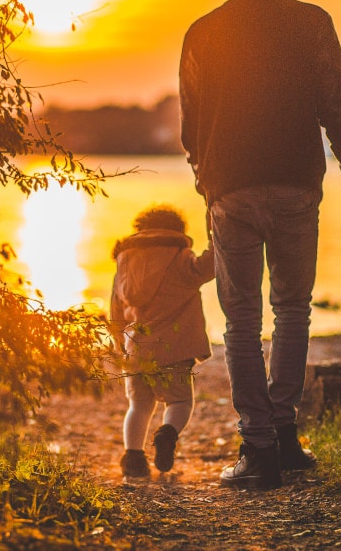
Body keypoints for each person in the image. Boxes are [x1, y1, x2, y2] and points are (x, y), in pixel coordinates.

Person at [179, 0, 341, 490]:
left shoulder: (202, 31)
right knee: (293, 310)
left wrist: (205, 183)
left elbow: (192, 123)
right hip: (295, 184)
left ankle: (259, 448)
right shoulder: (312, 22)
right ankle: (285, 436)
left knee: (241, 321)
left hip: (231, 190)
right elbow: (338, 105)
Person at [109, 205, 216, 480]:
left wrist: (120, 345)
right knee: (179, 402)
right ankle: (167, 434)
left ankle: (133, 458)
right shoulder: (181, 257)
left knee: (139, 406)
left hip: (135, 350)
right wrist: (215, 230)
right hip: (174, 349)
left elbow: (115, 310)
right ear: (177, 231)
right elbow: (211, 266)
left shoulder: (124, 261)